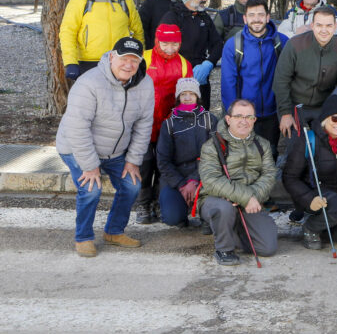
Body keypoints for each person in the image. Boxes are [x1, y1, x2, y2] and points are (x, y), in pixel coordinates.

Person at [55, 37, 153, 257]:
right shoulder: (89, 82)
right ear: (111, 57)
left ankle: (114, 231)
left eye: (134, 60)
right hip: (75, 146)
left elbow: (144, 124)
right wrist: (90, 166)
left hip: (114, 151)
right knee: (91, 189)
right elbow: (78, 128)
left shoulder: (145, 83)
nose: (128, 65)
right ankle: (83, 237)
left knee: (132, 185)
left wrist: (133, 160)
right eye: (123, 58)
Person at [196, 99, 278, 265]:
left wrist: (250, 198)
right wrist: (245, 197)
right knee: (223, 209)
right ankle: (224, 249)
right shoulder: (212, 145)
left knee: (267, 248)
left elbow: (269, 176)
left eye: (249, 117)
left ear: (254, 120)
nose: (244, 121)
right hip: (218, 198)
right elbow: (211, 180)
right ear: (228, 119)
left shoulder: (263, 145)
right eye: (239, 116)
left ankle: (231, 230)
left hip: (251, 200)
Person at [283, 93, 337, 251]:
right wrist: (309, 198)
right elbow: (289, 177)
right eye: (335, 118)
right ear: (325, 118)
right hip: (314, 193)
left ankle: (326, 223)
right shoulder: (308, 139)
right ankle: (310, 227)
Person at [138, 23, 193, 223]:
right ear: (157, 41)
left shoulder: (184, 64)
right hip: (144, 123)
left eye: (175, 44)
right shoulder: (144, 58)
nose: (170, 48)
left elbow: (188, 96)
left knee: (164, 166)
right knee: (144, 165)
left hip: (169, 125)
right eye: (165, 44)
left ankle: (160, 202)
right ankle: (143, 204)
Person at [60, 0, 146, 80]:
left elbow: (138, 30)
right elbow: (68, 31)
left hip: (120, 61)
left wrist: (139, 57)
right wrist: (70, 62)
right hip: (89, 62)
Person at [273, 7, 337, 137]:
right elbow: (281, 80)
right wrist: (285, 113)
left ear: (335, 27)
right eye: (319, 25)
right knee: (293, 143)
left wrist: (334, 115)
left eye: (329, 25)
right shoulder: (295, 44)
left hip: (324, 107)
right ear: (312, 26)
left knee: (323, 144)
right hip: (294, 105)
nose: (324, 30)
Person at [220, 0, 287, 151]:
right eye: (251, 15)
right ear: (245, 18)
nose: (256, 19)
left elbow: (290, 77)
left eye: (261, 15)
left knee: (270, 154)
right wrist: (235, 116)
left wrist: (285, 110)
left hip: (273, 113)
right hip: (245, 115)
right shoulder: (234, 45)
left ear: (268, 17)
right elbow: (228, 84)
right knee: (245, 155)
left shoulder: (281, 42)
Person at [155, 78, 216, 229]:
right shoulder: (169, 124)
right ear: (178, 97)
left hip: (204, 175)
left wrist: (194, 180)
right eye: (183, 94)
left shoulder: (210, 120)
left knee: (213, 206)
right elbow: (163, 161)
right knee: (171, 217)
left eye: (191, 94)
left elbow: (215, 156)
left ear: (197, 96)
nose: (187, 98)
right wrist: (182, 185)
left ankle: (206, 216)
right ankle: (181, 213)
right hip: (177, 177)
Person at [159, 0, 223, 109]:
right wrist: (179, 70)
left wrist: (209, 63)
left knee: (202, 111)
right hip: (177, 76)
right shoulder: (171, 18)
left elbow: (217, 43)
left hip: (200, 74)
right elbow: (163, 49)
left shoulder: (204, 17)